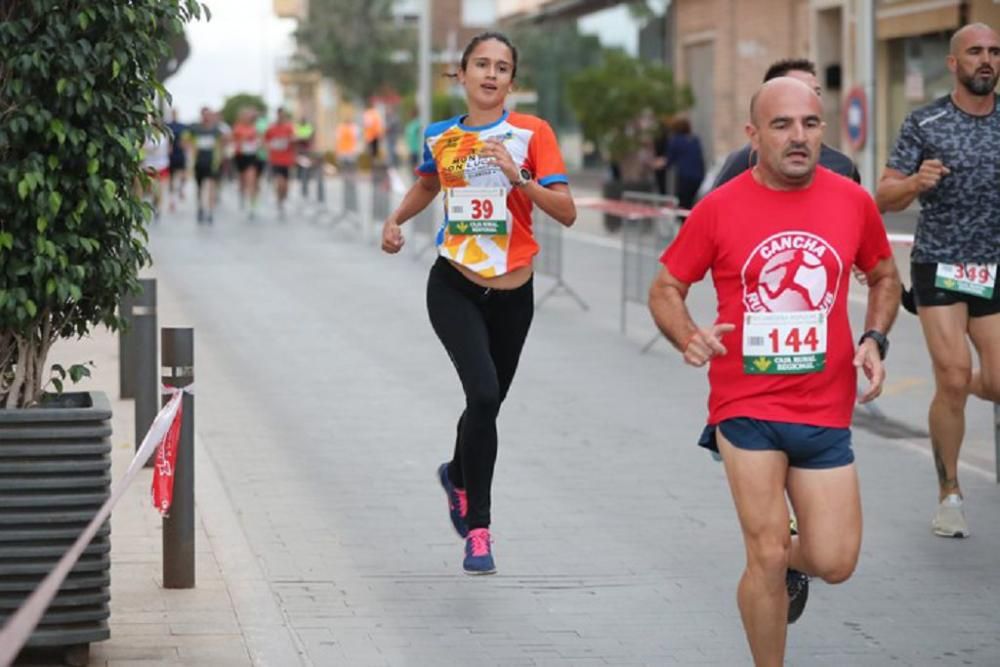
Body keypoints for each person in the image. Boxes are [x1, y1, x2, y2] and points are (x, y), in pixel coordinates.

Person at [648, 77, 900, 666]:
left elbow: (885, 275)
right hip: (746, 407)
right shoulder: (721, 206)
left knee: (835, 560)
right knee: (763, 553)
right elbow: (666, 287)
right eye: (782, 125)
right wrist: (688, 335)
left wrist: (874, 336)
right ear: (753, 134)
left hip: (824, 409)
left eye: (810, 124)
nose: (798, 136)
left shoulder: (851, 201)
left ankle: (788, 564)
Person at [380, 31, 576, 575]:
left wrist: (521, 180)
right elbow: (426, 185)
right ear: (460, 74)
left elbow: (566, 211)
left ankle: (457, 476)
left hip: (514, 295)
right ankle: (480, 531)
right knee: (484, 391)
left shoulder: (532, 134)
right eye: (481, 65)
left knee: (486, 404)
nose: (491, 74)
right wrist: (395, 221)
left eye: (502, 67)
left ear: (513, 80)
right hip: (455, 285)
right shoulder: (440, 136)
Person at [875, 22, 1000, 539]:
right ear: (953, 63)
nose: (986, 59)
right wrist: (914, 182)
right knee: (951, 377)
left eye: (994, 51)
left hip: (993, 266)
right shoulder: (925, 122)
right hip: (940, 265)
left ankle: (961, 389)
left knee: (992, 383)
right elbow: (882, 197)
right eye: (975, 52)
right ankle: (949, 493)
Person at [713, 59, 860, 188]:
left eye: (817, 92)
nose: (810, 97)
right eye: (798, 89)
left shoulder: (843, 166)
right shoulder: (745, 160)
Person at [187, 107, 224, 224]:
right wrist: (191, 150)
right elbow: (185, 141)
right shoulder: (195, 129)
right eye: (204, 115)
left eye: (208, 115)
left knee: (210, 187)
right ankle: (200, 208)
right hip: (198, 163)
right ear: (201, 116)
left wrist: (220, 156)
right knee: (200, 188)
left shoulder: (216, 130)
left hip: (212, 163)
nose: (206, 117)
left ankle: (210, 211)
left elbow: (223, 142)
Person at [663, 117, 705, 210]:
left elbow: (669, 161)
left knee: (683, 205)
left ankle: (685, 223)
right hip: (699, 176)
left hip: (685, 177)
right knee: (692, 203)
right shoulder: (695, 140)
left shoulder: (675, 141)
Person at [265, 107, 297, 218]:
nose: (281, 117)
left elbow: (294, 140)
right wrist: (270, 146)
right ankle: (279, 201)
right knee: (280, 183)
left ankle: (282, 200)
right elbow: (265, 141)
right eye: (279, 115)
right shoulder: (271, 128)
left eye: (283, 115)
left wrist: (292, 141)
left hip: (287, 160)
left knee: (286, 186)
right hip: (275, 160)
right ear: (277, 115)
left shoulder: (289, 127)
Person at [232, 107, 262, 218]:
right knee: (242, 181)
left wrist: (257, 143)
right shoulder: (237, 128)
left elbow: (259, 141)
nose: (247, 118)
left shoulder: (254, 128)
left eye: (249, 116)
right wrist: (242, 141)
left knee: (252, 180)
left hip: (252, 156)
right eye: (245, 116)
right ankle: (242, 196)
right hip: (240, 156)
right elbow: (234, 141)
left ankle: (252, 206)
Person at [166, 108, 188, 212]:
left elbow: (187, 138)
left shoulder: (182, 126)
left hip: (181, 154)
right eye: (173, 113)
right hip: (171, 155)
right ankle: (172, 201)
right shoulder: (168, 126)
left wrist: (185, 145)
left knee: (183, 175)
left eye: (175, 113)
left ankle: (181, 189)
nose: (174, 115)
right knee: (171, 178)